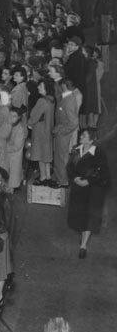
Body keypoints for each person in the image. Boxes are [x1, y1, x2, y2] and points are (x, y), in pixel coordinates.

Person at [67, 128, 111, 258]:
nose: (81, 136)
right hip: (78, 189)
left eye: (84, 135)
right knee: (79, 217)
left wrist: (88, 181)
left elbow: (103, 173)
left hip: (92, 190)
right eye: (81, 135)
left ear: (91, 139)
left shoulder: (98, 153)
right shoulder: (76, 150)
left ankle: (83, 246)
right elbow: (69, 167)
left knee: (88, 218)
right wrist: (74, 178)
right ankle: (83, 235)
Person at [52, 79, 79, 187]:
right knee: (59, 157)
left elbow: (73, 122)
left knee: (61, 158)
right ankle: (60, 179)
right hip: (61, 133)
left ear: (63, 86)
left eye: (57, 87)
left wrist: (61, 131)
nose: (55, 90)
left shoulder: (68, 100)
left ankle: (63, 182)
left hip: (63, 135)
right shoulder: (66, 98)